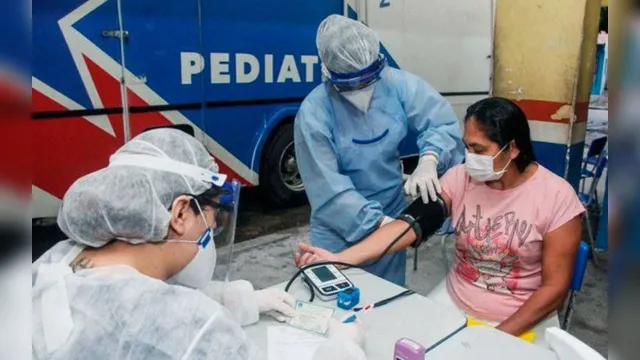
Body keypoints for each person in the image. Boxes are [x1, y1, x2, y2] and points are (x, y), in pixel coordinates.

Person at [32, 128, 365, 360]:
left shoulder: (58, 262)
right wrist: (345, 349)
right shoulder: (189, 327)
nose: (212, 231)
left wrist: (245, 301)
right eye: (213, 218)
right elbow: (170, 316)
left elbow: (136, 296)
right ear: (180, 213)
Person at [296, 97, 585, 345]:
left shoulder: (556, 197)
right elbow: (406, 227)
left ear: (512, 148)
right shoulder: (460, 179)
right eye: (466, 147)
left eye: (479, 150)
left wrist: (498, 336)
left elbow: (554, 289)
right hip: (456, 299)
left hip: (521, 318)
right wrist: (339, 259)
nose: (469, 158)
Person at [294, 14, 464, 286]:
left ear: (378, 65)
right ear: (327, 72)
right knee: (340, 300)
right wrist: (382, 225)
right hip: (339, 225)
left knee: (385, 299)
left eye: (368, 81)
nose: (361, 92)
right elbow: (328, 188)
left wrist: (430, 159)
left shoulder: (398, 85)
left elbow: (441, 123)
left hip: (390, 206)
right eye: (349, 85)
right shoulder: (314, 113)